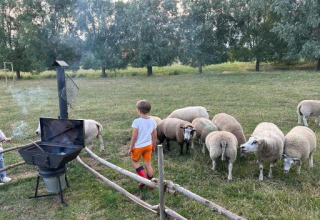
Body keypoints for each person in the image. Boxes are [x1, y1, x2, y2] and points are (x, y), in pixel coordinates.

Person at [128, 100, 157, 189]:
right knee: (148, 164)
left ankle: (143, 178)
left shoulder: (137, 121)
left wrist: (131, 147)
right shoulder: (153, 121)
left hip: (138, 147)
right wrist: (153, 147)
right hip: (148, 146)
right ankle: (151, 185)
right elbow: (155, 135)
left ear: (139, 111)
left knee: (134, 161)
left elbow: (135, 136)